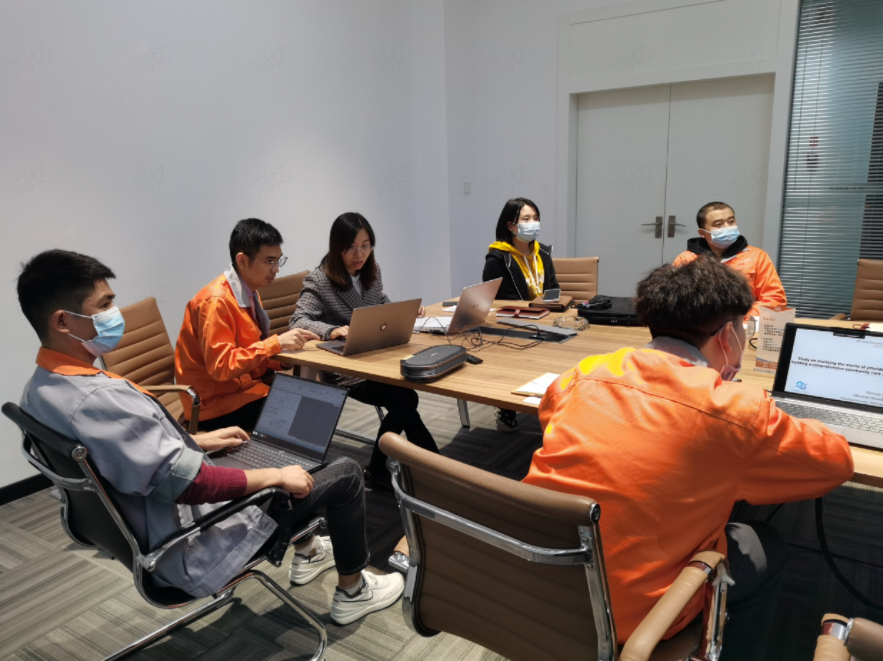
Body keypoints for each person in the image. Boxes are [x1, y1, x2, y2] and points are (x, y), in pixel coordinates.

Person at [16, 249, 404, 625]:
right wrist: (275, 476)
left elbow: (119, 452)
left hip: (150, 520)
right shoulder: (102, 399)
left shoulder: (40, 389)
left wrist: (198, 441)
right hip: (190, 541)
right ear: (63, 322)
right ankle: (354, 592)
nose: (114, 313)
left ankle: (308, 549)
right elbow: (192, 485)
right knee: (344, 472)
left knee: (256, 446)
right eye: (104, 304)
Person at [521, 257, 853, 660]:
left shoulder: (584, 372)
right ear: (728, 335)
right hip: (636, 620)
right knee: (762, 542)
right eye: (743, 328)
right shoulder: (734, 409)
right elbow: (835, 463)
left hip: (535, 579)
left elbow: (550, 419)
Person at [290, 212, 440, 491]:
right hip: (346, 370)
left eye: (366, 245)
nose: (360, 254)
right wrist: (331, 330)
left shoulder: (372, 270)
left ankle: (426, 467)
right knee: (405, 399)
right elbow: (298, 320)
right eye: (351, 247)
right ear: (337, 247)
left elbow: (379, 302)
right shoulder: (319, 279)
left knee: (407, 395)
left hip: (376, 358)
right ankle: (405, 467)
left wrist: (403, 311)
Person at [175, 218, 319, 431]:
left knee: (314, 403)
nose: (276, 269)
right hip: (215, 405)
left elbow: (250, 353)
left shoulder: (248, 292)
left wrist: (284, 358)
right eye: (269, 261)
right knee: (306, 414)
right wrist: (275, 345)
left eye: (278, 260)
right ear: (242, 260)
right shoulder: (216, 302)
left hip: (245, 389)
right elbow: (222, 367)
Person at [481, 197, 560, 432]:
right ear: (511, 225)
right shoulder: (498, 258)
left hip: (546, 317)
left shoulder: (542, 252)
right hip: (515, 323)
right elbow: (498, 299)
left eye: (535, 218)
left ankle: (554, 397)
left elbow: (553, 288)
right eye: (526, 219)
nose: (533, 223)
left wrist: (553, 305)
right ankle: (507, 406)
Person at [672, 201, 786, 317]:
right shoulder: (686, 260)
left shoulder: (757, 256)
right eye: (718, 224)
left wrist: (737, 318)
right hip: (701, 324)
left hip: (745, 323)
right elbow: (674, 301)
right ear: (702, 233)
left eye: (731, 221)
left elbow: (774, 299)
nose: (727, 227)